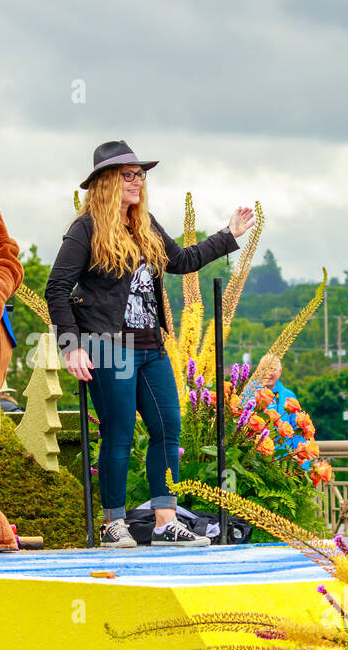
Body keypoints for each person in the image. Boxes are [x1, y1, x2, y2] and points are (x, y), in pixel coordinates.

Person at [46, 140, 254, 547]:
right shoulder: (85, 229)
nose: (137, 181)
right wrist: (72, 347)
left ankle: (164, 520)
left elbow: (183, 261)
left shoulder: (145, 225)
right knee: (119, 432)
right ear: (106, 182)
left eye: (140, 174)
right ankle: (113, 523)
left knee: (166, 428)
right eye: (129, 175)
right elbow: (56, 287)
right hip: (108, 347)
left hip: (151, 346)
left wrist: (229, 235)